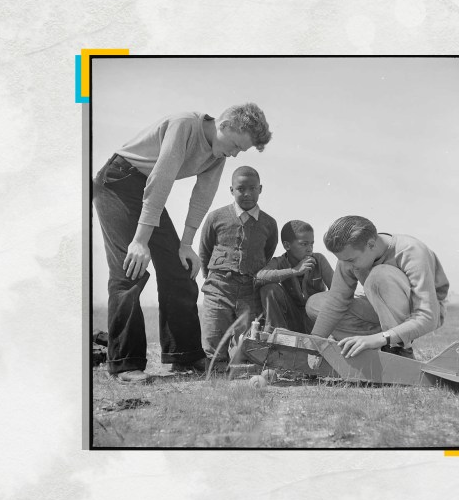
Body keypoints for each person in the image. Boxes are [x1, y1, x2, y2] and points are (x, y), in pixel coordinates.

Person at [93, 103, 272, 383]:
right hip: (117, 181)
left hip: (147, 189)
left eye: (241, 151)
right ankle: (125, 363)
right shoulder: (184, 124)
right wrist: (140, 241)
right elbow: (161, 178)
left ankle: (185, 355)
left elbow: (202, 196)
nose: (235, 154)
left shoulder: (218, 153)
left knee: (179, 268)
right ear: (224, 125)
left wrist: (186, 245)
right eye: (236, 145)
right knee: (130, 269)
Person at [306, 215, 449, 360]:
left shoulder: (412, 251)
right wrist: (314, 342)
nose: (346, 265)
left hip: (424, 313)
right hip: (381, 311)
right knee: (316, 304)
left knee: (378, 276)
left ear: (371, 245)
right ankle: (362, 346)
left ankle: (398, 349)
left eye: (350, 260)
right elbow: (336, 301)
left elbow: (428, 316)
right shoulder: (348, 257)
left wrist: (384, 337)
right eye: (341, 260)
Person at [198, 166, 278, 369]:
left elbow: (267, 253)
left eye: (252, 188)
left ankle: (240, 363)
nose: (247, 193)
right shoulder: (215, 217)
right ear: (231, 190)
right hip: (218, 288)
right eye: (241, 188)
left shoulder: (269, 224)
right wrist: (213, 281)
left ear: (260, 189)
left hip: (250, 291)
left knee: (249, 342)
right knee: (213, 339)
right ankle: (216, 368)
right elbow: (204, 252)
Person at [255, 220, 333, 333]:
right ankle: (277, 335)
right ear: (287, 245)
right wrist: (295, 271)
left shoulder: (319, 260)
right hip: (291, 320)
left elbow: (338, 291)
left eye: (312, 243)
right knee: (269, 289)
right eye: (304, 244)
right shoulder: (280, 262)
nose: (309, 249)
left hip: (315, 321)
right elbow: (259, 277)